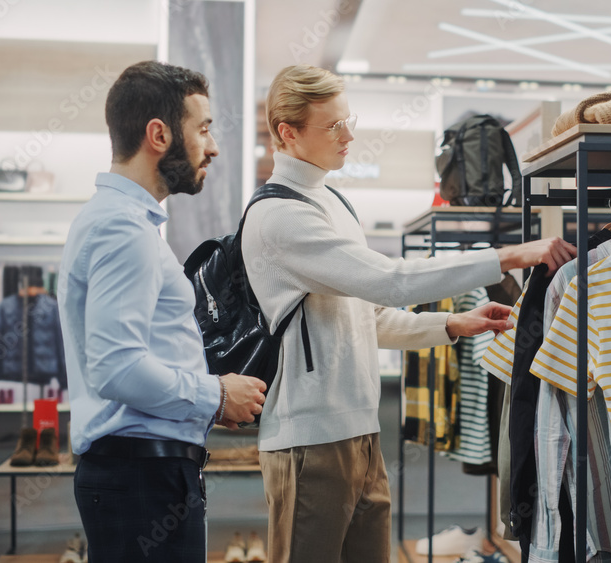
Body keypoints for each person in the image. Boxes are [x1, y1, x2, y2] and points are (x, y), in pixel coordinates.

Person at [243, 64, 576, 562]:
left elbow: (369, 315)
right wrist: (507, 255)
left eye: (347, 119)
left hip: (360, 433)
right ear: (287, 133)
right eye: (333, 125)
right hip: (308, 444)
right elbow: (391, 279)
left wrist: (449, 323)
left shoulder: (331, 201)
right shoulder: (279, 217)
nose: (349, 134)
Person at [57, 61, 267, 563]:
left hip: (144, 476)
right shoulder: (121, 230)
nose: (212, 147)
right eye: (203, 129)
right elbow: (118, 367)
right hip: (141, 479)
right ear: (159, 134)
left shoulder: (122, 223)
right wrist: (214, 395)